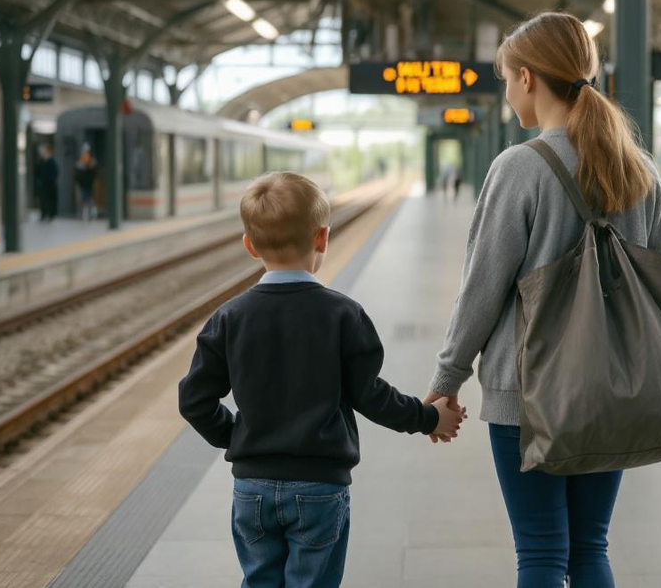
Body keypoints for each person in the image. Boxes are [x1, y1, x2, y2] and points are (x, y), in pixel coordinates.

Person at [424, 12, 661, 588]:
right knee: (591, 548)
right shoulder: (639, 170)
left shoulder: (518, 167)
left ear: (530, 77)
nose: (507, 90)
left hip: (528, 393)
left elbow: (482, 290)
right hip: (614, 387)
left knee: (540, 554)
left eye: (507, 78)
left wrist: (447, 380)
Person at [178, 171, 464, 588]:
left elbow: (194, 400)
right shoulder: (342, 315)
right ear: (322, 238)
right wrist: (426, 418)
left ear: (250, 245)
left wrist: (239, 436)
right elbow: (370, 396)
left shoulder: (229, 318)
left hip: (251, 489)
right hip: (319, 487)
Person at [73, 144, 97, 221]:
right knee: (82, 200)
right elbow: (76, 174)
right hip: (82, 185)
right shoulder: (80, 163)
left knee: (89, 200)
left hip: (89, 184)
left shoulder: (92, 163)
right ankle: (81, 215)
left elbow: (94, 173)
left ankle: (89, 215)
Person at [36, 144, 58, 223]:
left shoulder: (52, 161)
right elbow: (37, 172)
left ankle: (51, 215)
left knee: (50, 200)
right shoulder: (41, 161)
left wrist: (51, 180)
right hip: (43, 184)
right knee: (43, 200)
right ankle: (44, 214)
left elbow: (55, 172)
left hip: (50, 184)